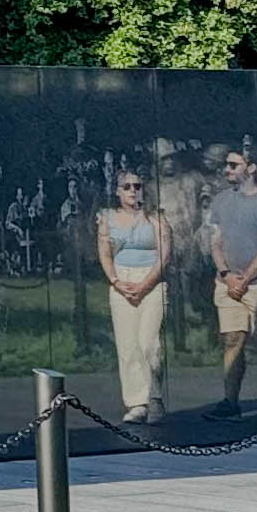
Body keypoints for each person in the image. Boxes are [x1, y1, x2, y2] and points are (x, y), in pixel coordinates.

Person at [204, 147, 257, 417]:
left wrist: (247, 277)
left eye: (233, 165)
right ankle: (230, 402)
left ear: (251, 168)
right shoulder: (220, 201)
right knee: (233, 340)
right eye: (227, 165)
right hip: (228, 283)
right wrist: (227, 275)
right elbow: (214, 240)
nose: (227, 170)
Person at [95, 167, 169, 423]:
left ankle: (155, 398)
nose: (132, 191)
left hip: (151, 279)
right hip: (121, 279)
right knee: (128, 345)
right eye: (127, 187)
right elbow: (104, 252)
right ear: (118, 192)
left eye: (137, 186)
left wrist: (146, 282)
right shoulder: (108, 219)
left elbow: (164, 255)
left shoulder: (156, 218)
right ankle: (137, 403)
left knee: (149, 343)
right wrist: (115, 280)